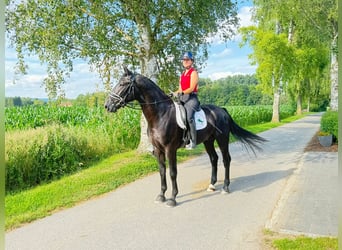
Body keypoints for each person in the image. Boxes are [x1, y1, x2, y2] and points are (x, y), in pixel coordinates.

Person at [174, 51, 200, 149]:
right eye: (184, 60)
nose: (185, 61)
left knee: (189, 117)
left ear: (191, 61)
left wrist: (182, 93)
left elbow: (192, 87)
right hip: (183, 98)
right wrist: (174, 93)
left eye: (187, 60)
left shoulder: (193, 73)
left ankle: (193, 141)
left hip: (192, 98)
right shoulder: (182, 75)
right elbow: (180, 89)